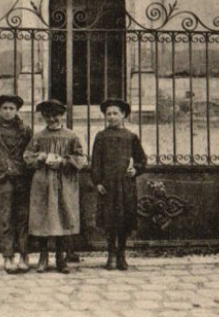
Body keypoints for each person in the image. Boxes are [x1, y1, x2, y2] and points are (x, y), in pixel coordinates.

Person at [24, 99, 85, 274]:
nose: (52, 119)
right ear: (43, 117)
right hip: (43, 182)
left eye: (56, 115)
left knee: (63, 217)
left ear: (62, 115)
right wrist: (40, 157)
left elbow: (80, 158)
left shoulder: (71, 136)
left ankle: (61, 258)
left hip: (64, 182)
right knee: (43, 218)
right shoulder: (38, 136)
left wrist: (64, 161)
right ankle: (43, 258)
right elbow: (27, 156)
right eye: (48, 116)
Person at [0, 95, 33, 274]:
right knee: (6, 218)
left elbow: (31, 152)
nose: (8, 112)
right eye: (4, 108)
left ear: (17, 111)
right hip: (3, 180)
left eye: (11, 108)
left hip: (22, 179)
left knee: (24, 217)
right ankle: (8, 256)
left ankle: (24, 255)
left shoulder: (25, 130)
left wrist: (29, 171)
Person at [90, 98, 147, 270]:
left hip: (125, 186)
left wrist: (136, 170)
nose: (112, 117)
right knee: (109, 221)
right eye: (109, 114)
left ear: (123, 115)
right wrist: (97, 181)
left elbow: (141, 160)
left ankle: (121, 253)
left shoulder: (131, 137)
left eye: (116, 113)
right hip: (108, 187)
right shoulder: (101, 137)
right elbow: (95, 162)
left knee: (124, 220)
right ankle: (111, 254)